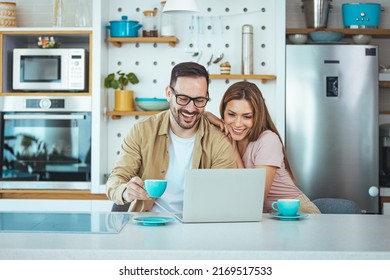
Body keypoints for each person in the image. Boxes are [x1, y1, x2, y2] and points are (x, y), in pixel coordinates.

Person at [106, 62, 237, 213]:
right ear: (169, 93)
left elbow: (223, 197)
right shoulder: (142, 131)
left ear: (206, 97)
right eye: (183, 98)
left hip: (196, 228)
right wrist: (125, 191)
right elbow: (116, 179)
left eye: (199, 100)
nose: (191, 108)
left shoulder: (218, 141)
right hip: (146, 225)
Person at [205, 81, 320, 214]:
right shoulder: (229, 137)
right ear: (223, 112)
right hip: (266, 217)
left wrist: (234, 149)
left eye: (247, 117)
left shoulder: (268, 140)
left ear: (258, 116)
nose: (237, 124)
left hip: (296, 214)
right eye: (231, 114)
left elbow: (254, 199)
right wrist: (207, 115)